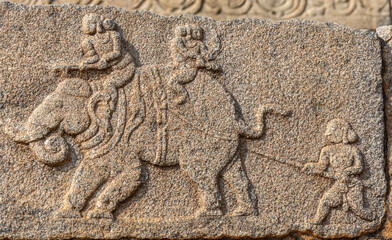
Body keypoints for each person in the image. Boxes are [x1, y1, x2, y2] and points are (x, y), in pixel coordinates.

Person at [302, 119, 374, 224]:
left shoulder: (353, 150)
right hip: (339, 184)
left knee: (357, 207)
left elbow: (359, 167)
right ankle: (317, 220)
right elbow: (321, 166)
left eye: (333, 132)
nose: (329, 135)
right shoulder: (327, 150)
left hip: (352, 184)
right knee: (326, 200)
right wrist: (311, 166)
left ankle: (374, 217)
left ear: (342, 131)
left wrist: (347, 171)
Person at [168, 25, 210, 105]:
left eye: (200, 32)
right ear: (190, 33)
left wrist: (207, 56)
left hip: (190, 69)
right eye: (196, 32)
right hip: (181, 65)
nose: (199, 34)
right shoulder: (182, 42)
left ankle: (183, 95)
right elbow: (184, 52)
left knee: (172, 82)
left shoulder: (200, 44)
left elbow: (205, 54)